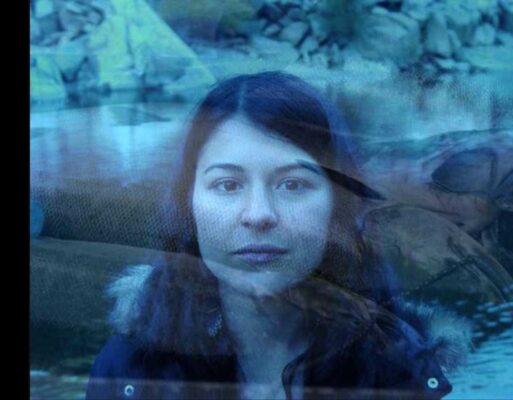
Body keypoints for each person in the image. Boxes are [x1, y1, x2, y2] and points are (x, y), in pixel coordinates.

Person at [86, 71, 471, 400]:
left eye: (292, 184)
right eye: (227, 185)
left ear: (338, 207)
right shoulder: (132, 372)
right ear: (188, 205)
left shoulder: (397, 367)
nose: (259, 215)